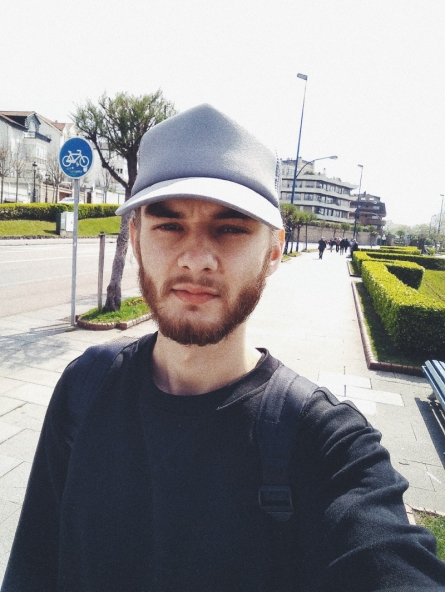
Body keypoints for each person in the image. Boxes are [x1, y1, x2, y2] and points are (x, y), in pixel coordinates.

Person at [3, 104, 445, 592]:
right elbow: (32, 568)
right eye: (169, 225)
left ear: (273, 251)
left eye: (230, 228)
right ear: (137, 238)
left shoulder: (326, 445)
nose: (196, 259)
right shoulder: (85, 387)